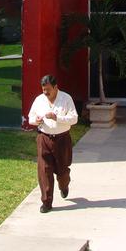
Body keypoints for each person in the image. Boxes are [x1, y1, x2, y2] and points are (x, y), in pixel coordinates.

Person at [28, 74, 78, 213]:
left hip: (62, 139)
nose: (45, 92)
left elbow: (74, 119)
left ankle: (64, 185)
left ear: (56, 87)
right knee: (44, 170)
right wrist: (35, 120)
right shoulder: (39, 100)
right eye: (43, 89)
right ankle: (47, 202)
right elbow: (30, 117)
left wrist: (57, 117)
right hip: (44, 138)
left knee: (62, 171)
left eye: (48, 89)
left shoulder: (66, 98)